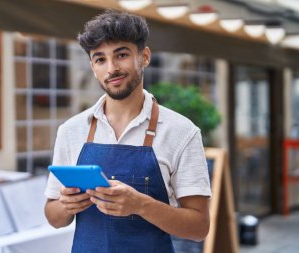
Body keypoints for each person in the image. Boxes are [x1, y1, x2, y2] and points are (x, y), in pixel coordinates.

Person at [44, 10, 211, 253]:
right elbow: (53, 216)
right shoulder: (71, 130)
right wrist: (66, 205)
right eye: (100, 59)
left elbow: (199, 228)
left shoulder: (182, 132)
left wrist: (141, 205)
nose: (111, 68)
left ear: (144, 57)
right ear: (92, 66)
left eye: (121, 55)